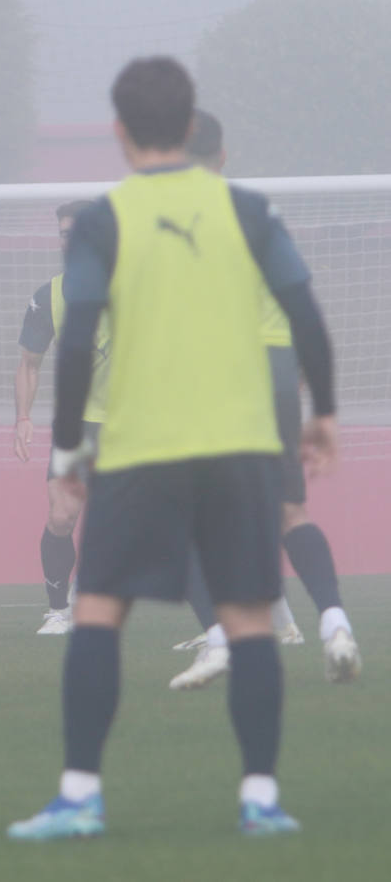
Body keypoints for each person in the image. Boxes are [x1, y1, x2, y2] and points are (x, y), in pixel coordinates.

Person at [7, 57, 337, 840]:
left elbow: (77, 341)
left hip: (139, 447)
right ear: (192, 128)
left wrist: (66, 453)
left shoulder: (104, 221)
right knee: (249, 618)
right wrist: (323, 411)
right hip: (239, 445)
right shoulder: (249, 211)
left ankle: (80, 796)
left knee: (97, 611)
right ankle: (261, 798)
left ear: (120, 132)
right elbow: (305, 314)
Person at [168, 108, 360, 689]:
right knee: (291, 512)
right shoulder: (259, 213)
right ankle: (336, 626)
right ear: (223, 156)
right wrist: (319, 400)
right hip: (275, 370)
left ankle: (220, 642)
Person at [14, 200, 100, 635]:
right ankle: (57, 610)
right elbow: (29, 363)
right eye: (64, 234)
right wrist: (23, 417)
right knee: (63, 516)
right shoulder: (48, 296)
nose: (69, 241)